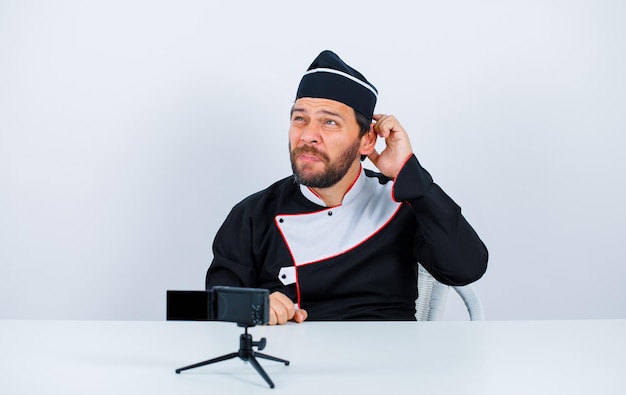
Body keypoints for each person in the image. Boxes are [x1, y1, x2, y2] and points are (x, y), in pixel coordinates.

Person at [206, 50, 488, 325]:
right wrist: (254, 306)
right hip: (290, 366)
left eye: (329, 122)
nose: (307, 136)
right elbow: (214, 309)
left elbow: (466, 268)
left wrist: (410, 175)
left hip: (393, 363)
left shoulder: (402, 202)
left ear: (367, 140)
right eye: (299, 118)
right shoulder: (251, 216)